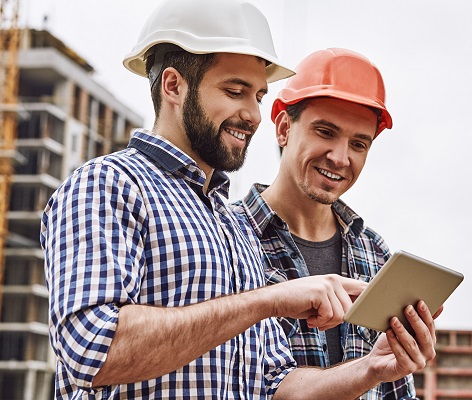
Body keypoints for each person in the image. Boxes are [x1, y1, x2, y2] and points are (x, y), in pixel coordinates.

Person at [40, 1, 438, 399]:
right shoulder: (109, 185)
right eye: (235, 91)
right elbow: (92, 350)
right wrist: (268, 300)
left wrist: (372, 368)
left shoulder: (232, 228)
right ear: (174, 86)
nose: (253, 114)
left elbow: (272, 386)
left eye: (259, 97)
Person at [234, 48, 435, 398]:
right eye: (325, 132)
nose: (340, 158)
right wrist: (367, 369)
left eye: (359, 143)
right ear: (283, 128)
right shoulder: (227, 237)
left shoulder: (374, 252)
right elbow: (246, 387)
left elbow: (395, 390)